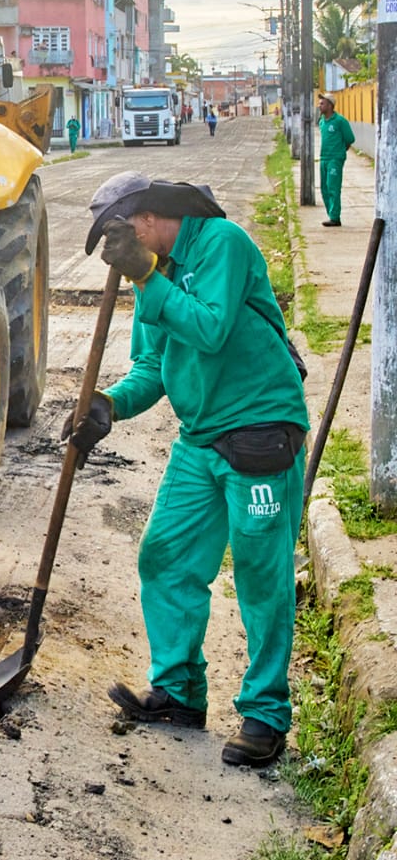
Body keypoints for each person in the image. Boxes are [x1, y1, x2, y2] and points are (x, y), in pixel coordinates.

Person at [66, 171, 308, 769]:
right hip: (200, 439)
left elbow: (209, 327)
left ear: (147, 219)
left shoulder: (220, 243)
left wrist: (148, 277)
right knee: (166, 556)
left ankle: (265, 714)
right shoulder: (151, 276)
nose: (117, 251)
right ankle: (178, 693)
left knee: (259, 576)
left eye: (120, 234)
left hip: (258, 432)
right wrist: (109, 405)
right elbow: (152, 367)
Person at [317, 94, 356, 227]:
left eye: (322, 103)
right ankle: (331, 214)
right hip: (323, 158)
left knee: (333, 187)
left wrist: (339, 152)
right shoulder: (322, 121)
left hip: (335, 158)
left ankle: (335, 217)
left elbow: (349, 139)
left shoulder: (340, 121)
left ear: (330, 105)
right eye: (319, 103)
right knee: (324, 188)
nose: (319, 105)